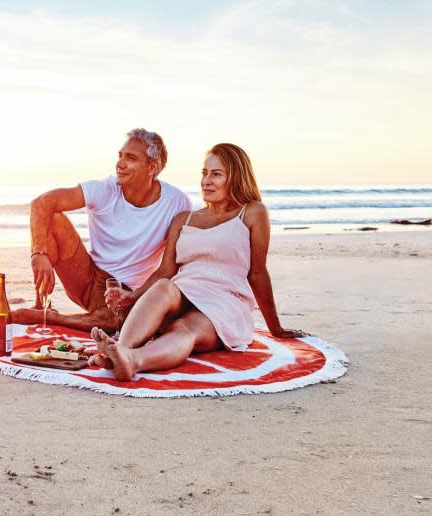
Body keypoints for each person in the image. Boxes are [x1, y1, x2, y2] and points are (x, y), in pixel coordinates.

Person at [91, 143, 306, 381]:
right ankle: (121, 348)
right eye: (204, 173)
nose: (207, 181)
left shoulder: (253, 212)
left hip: (223, 303)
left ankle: (133, 361)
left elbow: (257, 274)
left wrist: (275, 327)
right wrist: (135, 295)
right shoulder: (184, 219)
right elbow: (166, 270)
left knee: (185, 328)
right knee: (164, 287)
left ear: (236, 177)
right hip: (181, 294)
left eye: (216, 174)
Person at [10, 128, 192, 332]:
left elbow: (169, 267)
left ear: (153, 166)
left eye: (130, 158)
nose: (120, 164)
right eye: (120, 156)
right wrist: (39, 254)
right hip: (86, 275)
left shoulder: (176, 202)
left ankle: (50, 318)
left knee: (114, 322)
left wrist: (139, 295)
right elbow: (41, 203)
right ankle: (42, 303)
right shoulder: (105, 190)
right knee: (53, 219)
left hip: (128, 290)